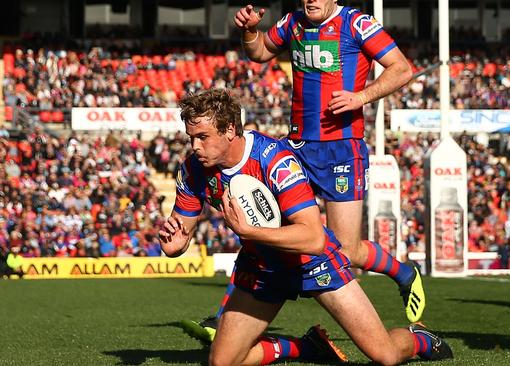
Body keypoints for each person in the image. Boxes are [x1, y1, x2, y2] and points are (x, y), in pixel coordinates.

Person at [182, 0, 422, 343]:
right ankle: (223, 318)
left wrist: (361, 97)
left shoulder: (357, 24)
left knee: (347, 251)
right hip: (295, 148)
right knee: (262, 226)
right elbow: (261, 52)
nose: (309, 0)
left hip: (341, 149)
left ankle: (403, 273)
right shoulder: (294, 21)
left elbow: (402, 69)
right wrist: (249, 31)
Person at [160, 89, 452, 365]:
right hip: (263, 266)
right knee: (222, 361)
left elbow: (313, 238)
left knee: (384, 356)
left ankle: (419, 339)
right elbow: (181, 232)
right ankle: (305, 347)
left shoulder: (276, 161)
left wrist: (250, 233)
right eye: (191, 138)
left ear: (230, 130)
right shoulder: (192, 170)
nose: (194, 146)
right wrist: (175, 245)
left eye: (202, 137)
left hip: (313, 262)